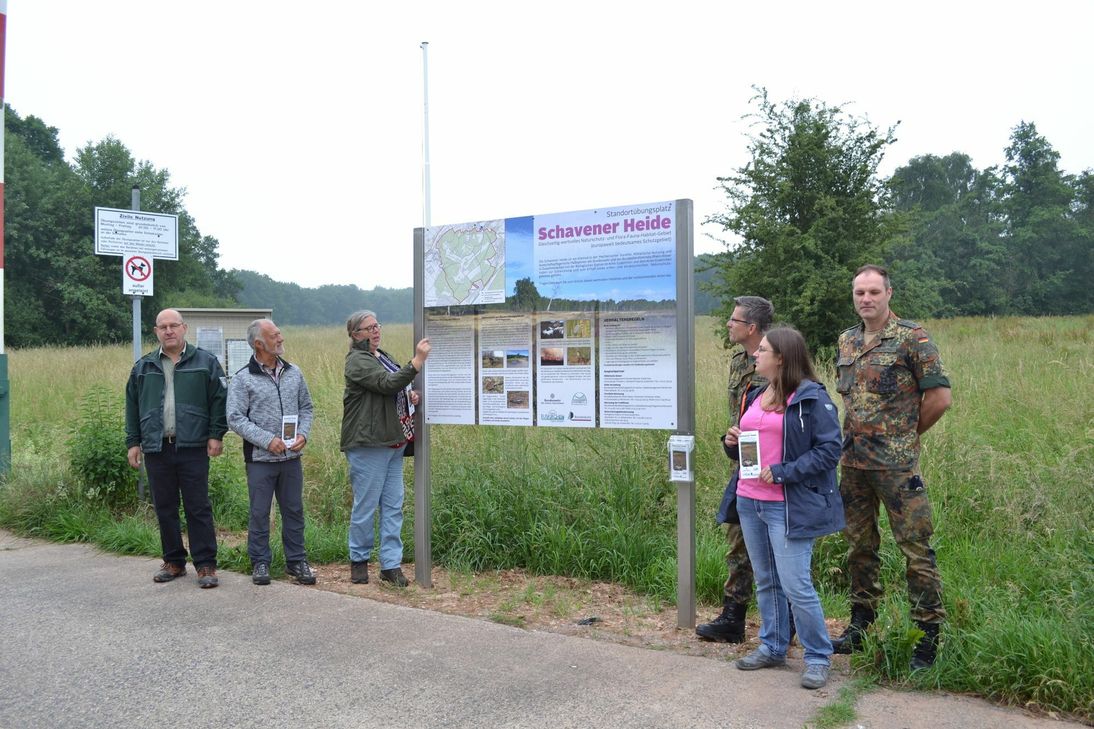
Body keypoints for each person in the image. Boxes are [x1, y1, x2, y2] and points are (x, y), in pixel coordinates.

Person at [830, 264, 952, 670]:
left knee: (916, 550)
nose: (866, 299)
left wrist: (906, 434)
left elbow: (938, 398)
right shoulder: (846, 341)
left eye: (873, 292)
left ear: (889, 294)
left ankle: (927, 637)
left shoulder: (911, 338)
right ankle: (861, 625)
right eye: (859, 293)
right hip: (854, 464)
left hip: (897, 467)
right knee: (859, 548)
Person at [717, 327, 843, 689]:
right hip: (749, 498)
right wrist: (730, 443)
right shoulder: (756, 393)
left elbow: (830, 450)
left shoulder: (811, 398)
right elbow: (750, 445)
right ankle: (773, 646)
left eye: (764, 350)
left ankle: (817, 656)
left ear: (782, 357)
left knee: (796, 584)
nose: (756, 354)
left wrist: (786, 471)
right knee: (767, 580)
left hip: (787, 505)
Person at [126, 308, 227, 589]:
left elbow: (219, 400)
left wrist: (216, 434)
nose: (168, 331)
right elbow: (132, 407)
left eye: (173, 325)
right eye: (163, 327)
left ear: (184, 328)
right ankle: (174, 561)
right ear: (156, 331)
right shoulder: (143, 366)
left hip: (193, 446)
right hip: (157, 446)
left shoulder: (205, 362)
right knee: (165, 507)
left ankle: (205, 564)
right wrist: (133, 442)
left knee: (198, 507)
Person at [697, 296, 777, 643]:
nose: (728, 324)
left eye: (734, 320)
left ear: (752, 328)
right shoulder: (736, 362)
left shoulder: (781, 356)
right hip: (744, 463)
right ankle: (733, 617)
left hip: (775, 469)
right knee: (737, 540)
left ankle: (782, 624)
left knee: (776, 547)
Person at [341, 310, 430, 587]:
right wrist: (416, 362)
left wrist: (410, 394)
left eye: (377, 325)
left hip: (394, 441)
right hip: (369, 443)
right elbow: (386, 383)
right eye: (369, 328)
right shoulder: (357, 361)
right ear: (356, 335)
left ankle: (390, 565)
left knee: (393, 506)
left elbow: (396, 388)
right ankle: (359, 560)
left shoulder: (382, 355)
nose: (375, 331)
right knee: (366, 505)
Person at [227, 319, 316, 586]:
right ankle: (260, 562)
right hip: (261, 460)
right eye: (275, 335)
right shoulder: (243, 379)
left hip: (291, 458)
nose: (281, 338)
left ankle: (296, 561)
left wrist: (303, 434)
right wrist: (267, 440)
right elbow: (235, 418)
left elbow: (307, 408)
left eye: (280, 333)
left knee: (294, 510)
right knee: (259, 512)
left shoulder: (294, 373)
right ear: (259, 343)